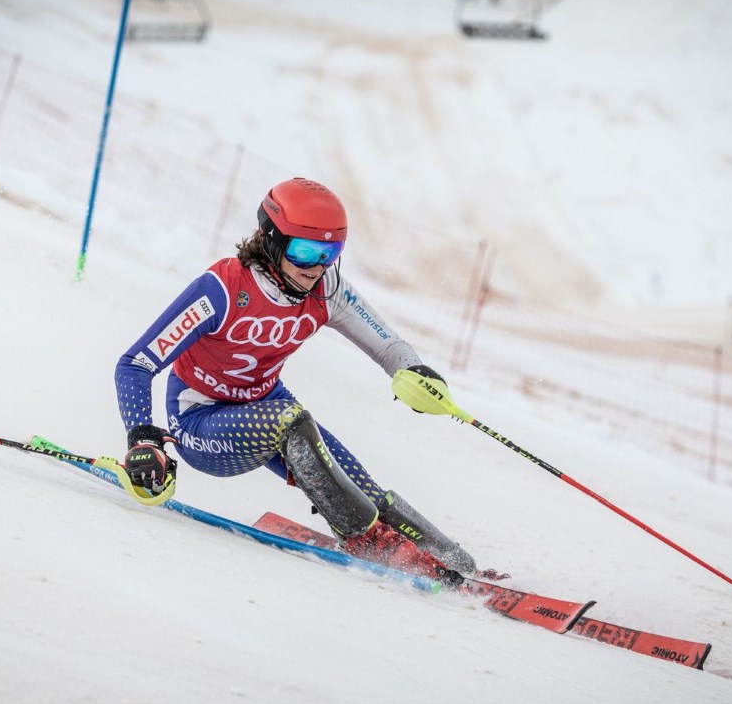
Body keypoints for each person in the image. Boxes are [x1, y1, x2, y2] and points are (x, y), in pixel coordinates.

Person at [114, 177, 476, 582]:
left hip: (264, 405)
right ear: (271, 240)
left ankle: (457, 562)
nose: (317, 266)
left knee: (362, 488)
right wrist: (142, 438)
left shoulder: (327, 289)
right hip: (200, 420)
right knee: (290, 419)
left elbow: (390, 348)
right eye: (305, 251)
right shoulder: (221, 289)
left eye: (331, 252)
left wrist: (413, 371)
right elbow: (135, 364)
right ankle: (365, 540)